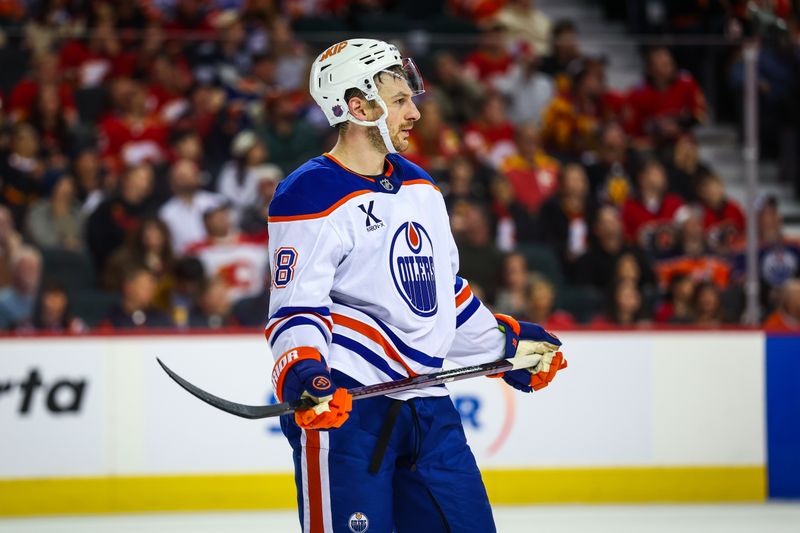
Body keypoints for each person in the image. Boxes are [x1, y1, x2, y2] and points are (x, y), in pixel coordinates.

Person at [266, 39, 567, 533]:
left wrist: (505, 346)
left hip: (428, 406)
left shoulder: (421, 186)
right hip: (348, 410)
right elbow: (296, 307)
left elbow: (444, 295)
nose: (415, 113)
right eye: (400, 100)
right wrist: (305, 372)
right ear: (359, 107)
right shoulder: (309, 192)